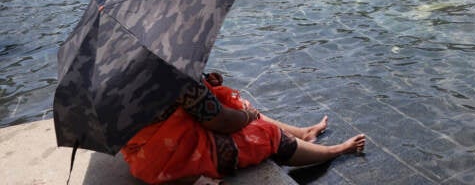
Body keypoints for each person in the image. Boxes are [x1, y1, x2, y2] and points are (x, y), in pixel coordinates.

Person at [121, 71, 366, 184]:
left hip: (143, 156)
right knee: (265, 133)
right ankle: (337, 151)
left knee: (235, 105)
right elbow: (221, 122)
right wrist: (247, 116)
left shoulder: (125, 72)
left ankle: (303, 133)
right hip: (172, 159)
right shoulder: (176, 73)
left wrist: (206, 83)